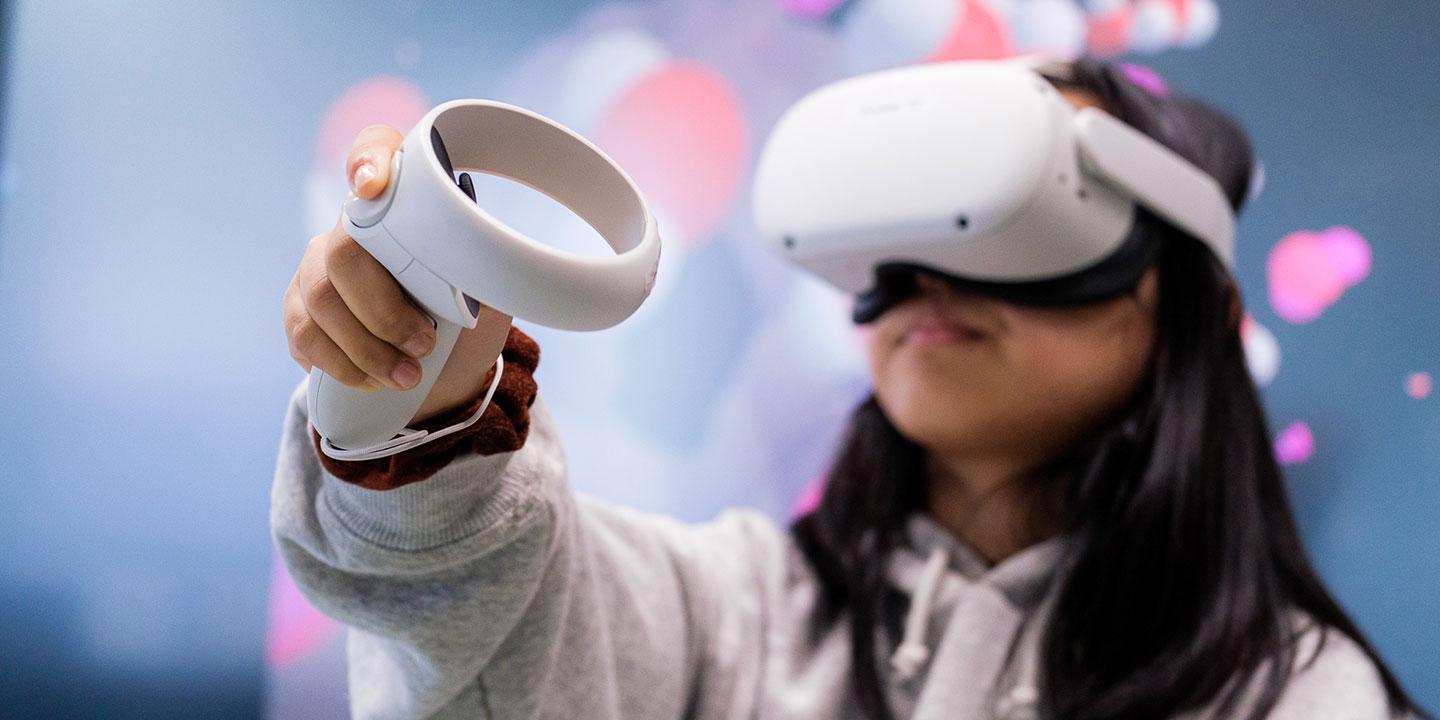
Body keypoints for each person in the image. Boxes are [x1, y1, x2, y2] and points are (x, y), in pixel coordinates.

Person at [273, 58, 1430, 719]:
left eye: (1013, 213)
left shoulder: (1298, 700)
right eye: (901, 218)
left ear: (1197, 308)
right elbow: (492, 616)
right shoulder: (740, 618)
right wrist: (424, 381)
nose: (929, 271)